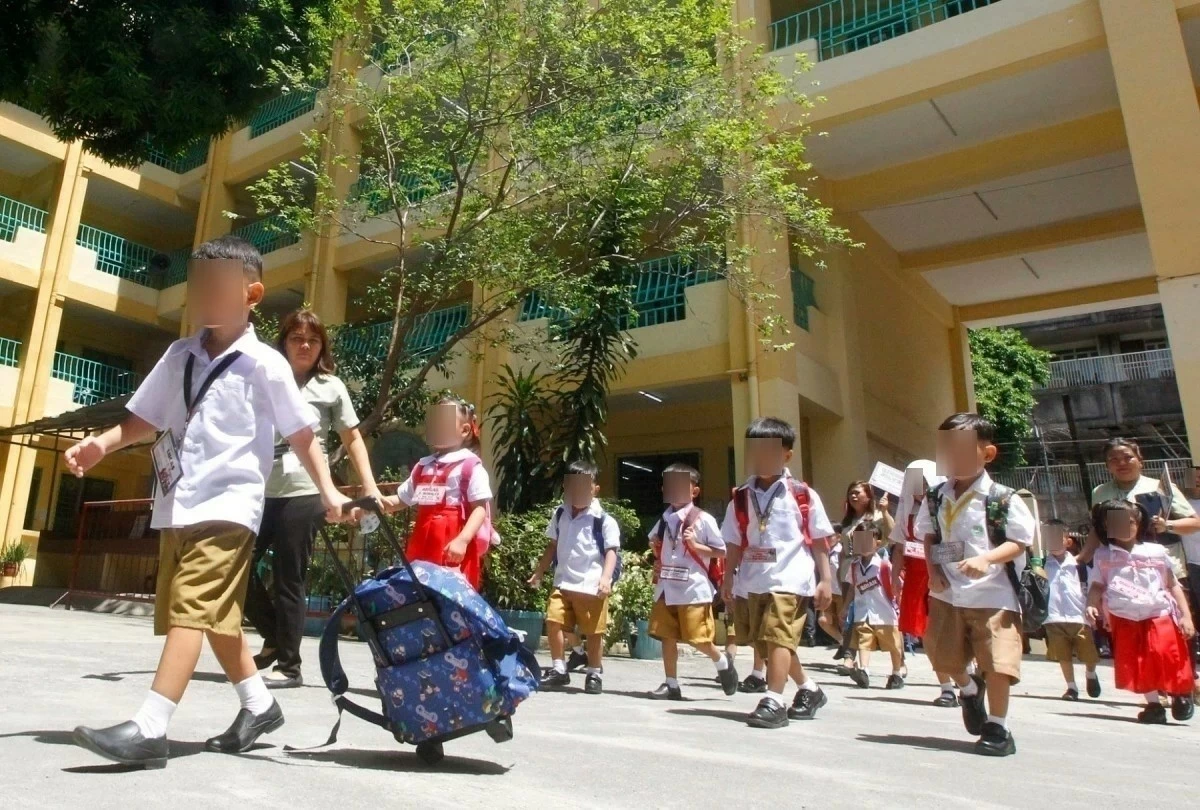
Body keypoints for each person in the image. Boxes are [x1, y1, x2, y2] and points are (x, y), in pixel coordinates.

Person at [66, 236, 352, 768]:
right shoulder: (181, 354)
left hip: (230, 504)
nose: (204, 295)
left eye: (218, 286)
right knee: (216, 614)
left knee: (192, 608)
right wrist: (103, 443)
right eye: (198, 286)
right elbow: (147, 416)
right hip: (179, 502)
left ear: (252, 294)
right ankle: (259, 704)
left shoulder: (265, 364)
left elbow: (302, 434)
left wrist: (331, 491)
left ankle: (151, 726)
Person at [245, 308, 382, 689]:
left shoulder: (331, 387)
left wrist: (368, 486)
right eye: (296, 338)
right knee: (236, 568)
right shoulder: (264, 377)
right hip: (258, 488)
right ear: (283, 342)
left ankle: (289, 666)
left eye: (313, 339)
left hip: (306, 490)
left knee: (290, 576)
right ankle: (275, 636)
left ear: (321, 346)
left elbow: (351, 438)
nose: (304, 345)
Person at [915, 412, 1035, 757]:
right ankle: (968, 689)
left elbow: (1020, 541)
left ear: (987, 453)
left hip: (995, 594)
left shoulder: (1003, 498)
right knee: (942, 656)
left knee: (998, 662)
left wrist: (987, 559)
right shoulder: (936, 496)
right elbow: (929, 535)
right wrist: (933, 570)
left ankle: (998, 727)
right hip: (948, 592)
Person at [721, 417, 835, 728]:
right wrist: (727, 577)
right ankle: (810, 689)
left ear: (787, 455)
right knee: (768, 643)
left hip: (791, 578)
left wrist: (825, 580)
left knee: (777, 636)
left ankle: (774, 700)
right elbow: (733, 542)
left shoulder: (802, 495)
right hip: (753, 580)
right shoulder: (740, 497)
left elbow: (820, 540)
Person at [1087, 499, 1196, 723]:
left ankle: (1180, 693)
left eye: (1130, 522)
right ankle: (1154, 705)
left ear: (1139, 522)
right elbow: (1097, 585)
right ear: (1106, 526)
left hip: (1158, 612)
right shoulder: (1103, 556)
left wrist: (1186, 616)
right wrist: (1091, 604)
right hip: (1124, 616)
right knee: (1137, 662)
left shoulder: (1155, 552)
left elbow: (1172, 584)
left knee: (1167, 654)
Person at [646, 463, 738, 699]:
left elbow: (723, 551)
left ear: (694, 491)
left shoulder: (703, 519)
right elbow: (654, 541)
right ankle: (671, 683)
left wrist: (697, 546)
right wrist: (657, 553)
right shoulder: (664, 519)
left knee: (697, 638)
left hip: (692, 588)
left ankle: (721, 661)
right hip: (667, 585)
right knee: (666, 635)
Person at [528, 460, 620, 695]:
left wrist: (606, 578)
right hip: (563, 582)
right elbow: (552, 546)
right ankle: (559, 668)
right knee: (554, 621)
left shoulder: (603, 520)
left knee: (593, 633)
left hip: (591, 586)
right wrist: (540, 571)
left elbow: (611, 552)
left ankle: (594, 672)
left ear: (594, 489)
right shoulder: (560, 514)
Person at [381, 396, 493, 588]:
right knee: (419, 591)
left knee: (450, 592)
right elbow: (401, 499)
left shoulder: (470, 466)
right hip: (422, 540)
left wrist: (462, 540)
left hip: (451, 542)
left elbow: (479, 509)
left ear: (465, 430)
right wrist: (377, 504)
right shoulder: (423, 467)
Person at [1079, 439, 1200, 581]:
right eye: (1114, 459)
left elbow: (1195, 523)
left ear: (1140, 461)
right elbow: (1097, 530)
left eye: (1128, 457)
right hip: (1120, 573)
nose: (1122, 463)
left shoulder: (1161, 487)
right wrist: (1081, 558)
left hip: (1165, 572)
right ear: (1107, 466)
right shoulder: (1099, 492)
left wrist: (1166, 526)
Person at [890, 459, 958, 707]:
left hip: (945, 576)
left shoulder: (945, 506)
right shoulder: (905, 510)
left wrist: (931, 556)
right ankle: (946, 687)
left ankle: (967, 677)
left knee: (952, 630)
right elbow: (899, 545)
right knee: (927, 632)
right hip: (916, 579)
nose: (919, 487)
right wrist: (895, 575)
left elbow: (958, 549)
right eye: (915, 481)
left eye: (924, 480)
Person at [833, 482, 893, 674]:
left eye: (857, 493)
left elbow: (891, 535)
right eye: (850, 493)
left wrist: (885, 512)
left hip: (871, 570)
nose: (853, 496)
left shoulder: (875, 516)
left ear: (869, 496)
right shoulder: (848, 520)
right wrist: (838, 572)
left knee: (866, 614)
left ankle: (855, 658)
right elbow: (843, 549)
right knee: (849, 614)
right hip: (848, 570)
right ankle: (851, 656)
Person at [1042, 518, 1101, 701]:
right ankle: (1071, 687)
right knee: (1063, 655)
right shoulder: (1041, 565)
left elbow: (1093, 586)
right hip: (1054, 616)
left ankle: (1091, 674)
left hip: (1079, 616)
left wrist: (1094, 608)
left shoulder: (1079, 565)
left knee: (1089, 653)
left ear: (1068, 541)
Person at [846, 524, 904, 690]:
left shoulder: (884, 565)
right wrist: (845, 607)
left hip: (884, 611)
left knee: (893, 644)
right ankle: (864, 670)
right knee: (864, 640)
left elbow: (897, 585)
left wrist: (900, 605)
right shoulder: (854, 566)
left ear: (877, 543)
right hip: (862, 611)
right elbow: (851, 587)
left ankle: (897, 673)